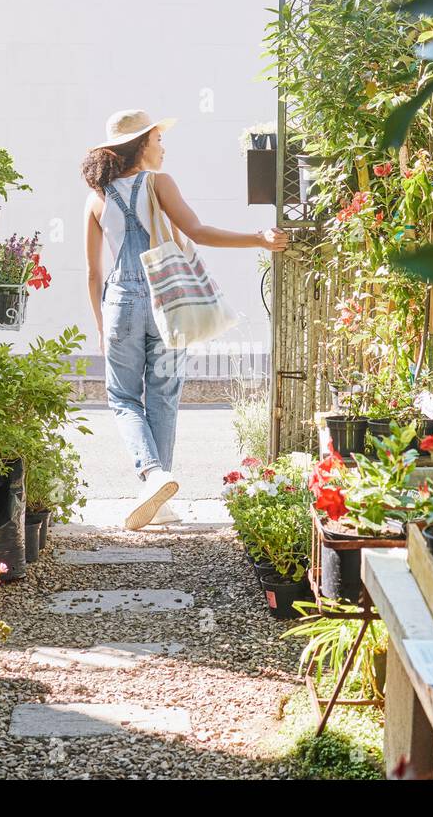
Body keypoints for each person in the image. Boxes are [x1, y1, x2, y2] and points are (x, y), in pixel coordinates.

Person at [81, 109, 287, 530]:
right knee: (163, 394)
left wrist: (102, 326)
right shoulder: (159, 183)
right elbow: (198, 231)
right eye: (157, 139)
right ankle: (158, 480)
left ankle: (154, 480)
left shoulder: (97, 197)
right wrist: (258, 240)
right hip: (167, 302)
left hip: (119, 302)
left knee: (122, 398)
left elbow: (92, 273)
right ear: (140, 144)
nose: (163, 146)